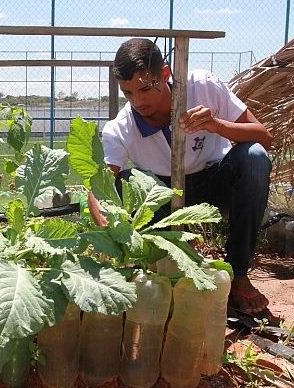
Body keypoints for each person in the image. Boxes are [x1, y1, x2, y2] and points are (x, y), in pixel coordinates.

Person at [102, 38, 274, 318]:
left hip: (213, 184)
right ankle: (178, 259)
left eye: (146, 88)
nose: (138, 101)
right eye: (128, 92)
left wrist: (216, 125)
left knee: (253, 157)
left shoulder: (204, 86)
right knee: (126, 179)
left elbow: (264, 138)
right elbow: (104, 187)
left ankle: (239, 274)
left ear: (166, 74)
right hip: (163, 197)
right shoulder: (119, 128)